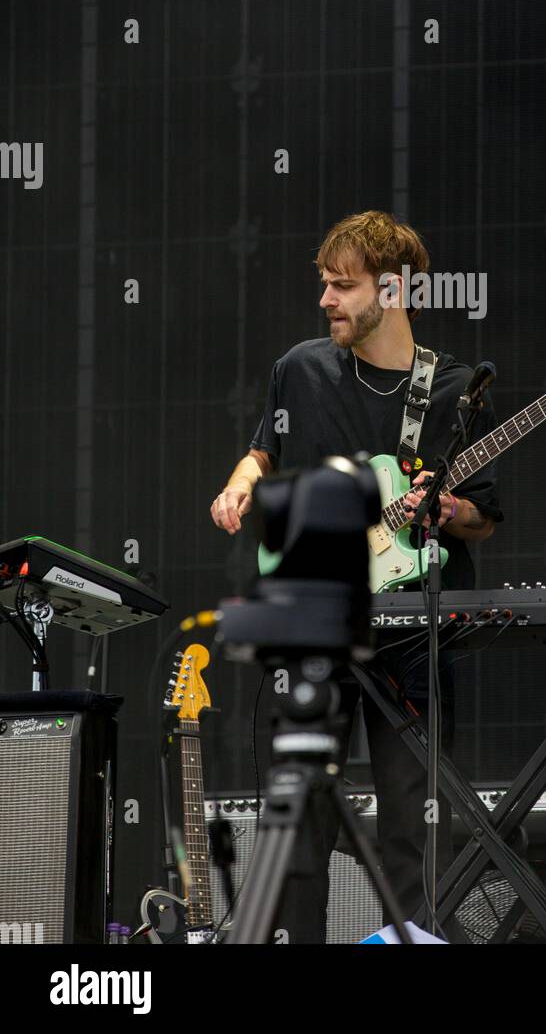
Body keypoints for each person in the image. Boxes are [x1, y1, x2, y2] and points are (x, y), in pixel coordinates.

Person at [211, 209, 503, 941]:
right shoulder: (300, 369)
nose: (326, 300)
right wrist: (239, 482)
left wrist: (449, 506)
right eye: (325, 284)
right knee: (297, 821)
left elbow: (484, 519)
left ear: (395, 289)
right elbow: (262, 451)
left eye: (343, 286)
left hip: (408, 634)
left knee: (415, 817)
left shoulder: (455, 388)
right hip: (309, 620)